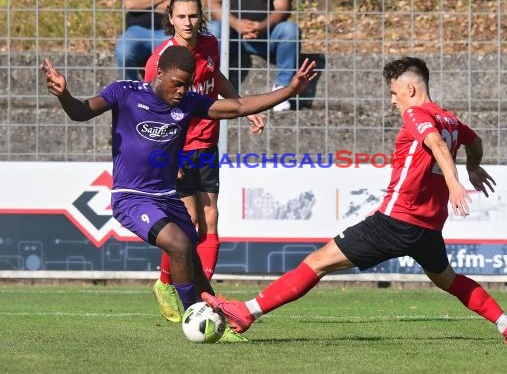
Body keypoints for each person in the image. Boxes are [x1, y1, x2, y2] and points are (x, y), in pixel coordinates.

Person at [201, 57, 507, 345]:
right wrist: (473, 166)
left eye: (394, 92)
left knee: (317, 262)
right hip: (427, 227)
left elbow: (436, 145)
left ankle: (246, 313)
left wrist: (455, 182)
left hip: (395, 220)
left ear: (411, 90)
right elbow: (475, 142)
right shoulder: (450, 119)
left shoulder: (416, 114)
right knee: (448, 279)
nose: (393, 100)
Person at [40, 45, 316, 338]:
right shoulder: (125, 92)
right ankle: (194, 317)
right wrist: (65, 96)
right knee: (180, 245)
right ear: (159, 73)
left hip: (168, 198)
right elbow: (82, 112)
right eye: (177, 83)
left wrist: (290, 90)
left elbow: (238, 107)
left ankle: (220, 325)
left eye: (188, 84)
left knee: (195, 267)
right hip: (131, 197)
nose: (183, 90)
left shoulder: (188, 102)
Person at [143, 0, 265, 328]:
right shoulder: (163, 58)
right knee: (190, 222)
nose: (188, 22)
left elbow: (216, 78)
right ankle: (166, 284)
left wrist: (241, 107)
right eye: (181, 17)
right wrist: (167, 151)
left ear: (200, 17)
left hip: (207, 144)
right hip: (178, 147)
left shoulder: (209, 43)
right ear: (170, 18)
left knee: (210, 219)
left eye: (193, 16)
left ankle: (205, 298)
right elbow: (148, 109)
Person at [205, 0, 301, 111]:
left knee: (289, 30)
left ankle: (281, 88)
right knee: (213, 28)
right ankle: (215, 87)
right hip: (230, 37)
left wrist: (260, 26)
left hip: (265, 36)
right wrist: (237, 24)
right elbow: (211, 3)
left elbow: (283, 8)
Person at [115, 0, 185, 81]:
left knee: (177, 58)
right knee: (123, 51)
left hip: (167, 31)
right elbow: (129, 3)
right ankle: (131, 92)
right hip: (136, 31)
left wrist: (142, 4)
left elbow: (177, 7)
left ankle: (164, 97)